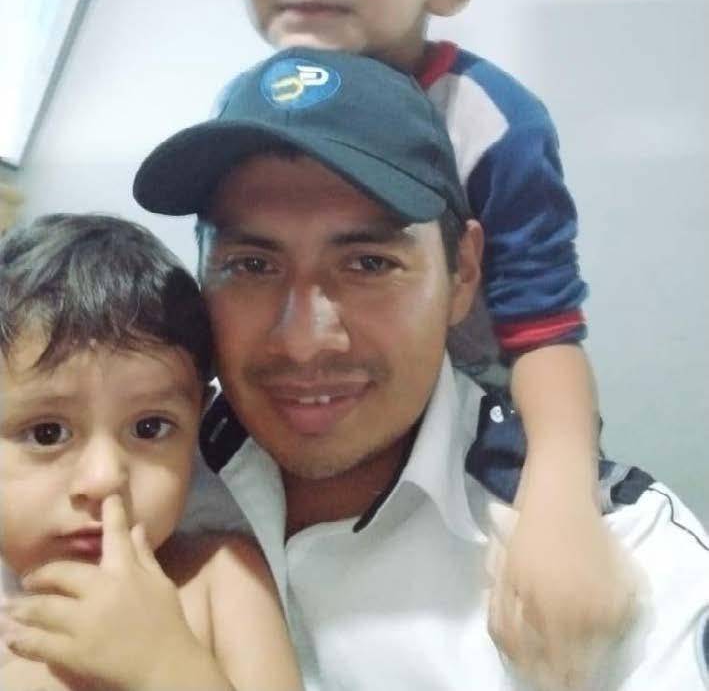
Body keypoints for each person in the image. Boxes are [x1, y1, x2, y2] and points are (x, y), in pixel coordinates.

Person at [216, 0, 628, 683]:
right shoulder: (242, 113)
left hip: (479, 410)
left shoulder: (490, 122)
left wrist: (561, 501)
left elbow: (546, 332)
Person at [134, 47, 709, 691]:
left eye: (369, 264)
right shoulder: (125, 476)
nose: (304, 342)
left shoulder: (624, 557)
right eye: (252, 266)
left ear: (463, 272)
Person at [0, 214, 303, 691]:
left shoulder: (220, 581)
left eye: (149, 427)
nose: (104, 479)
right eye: (46, 433)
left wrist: (165, 668)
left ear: (197, 420)